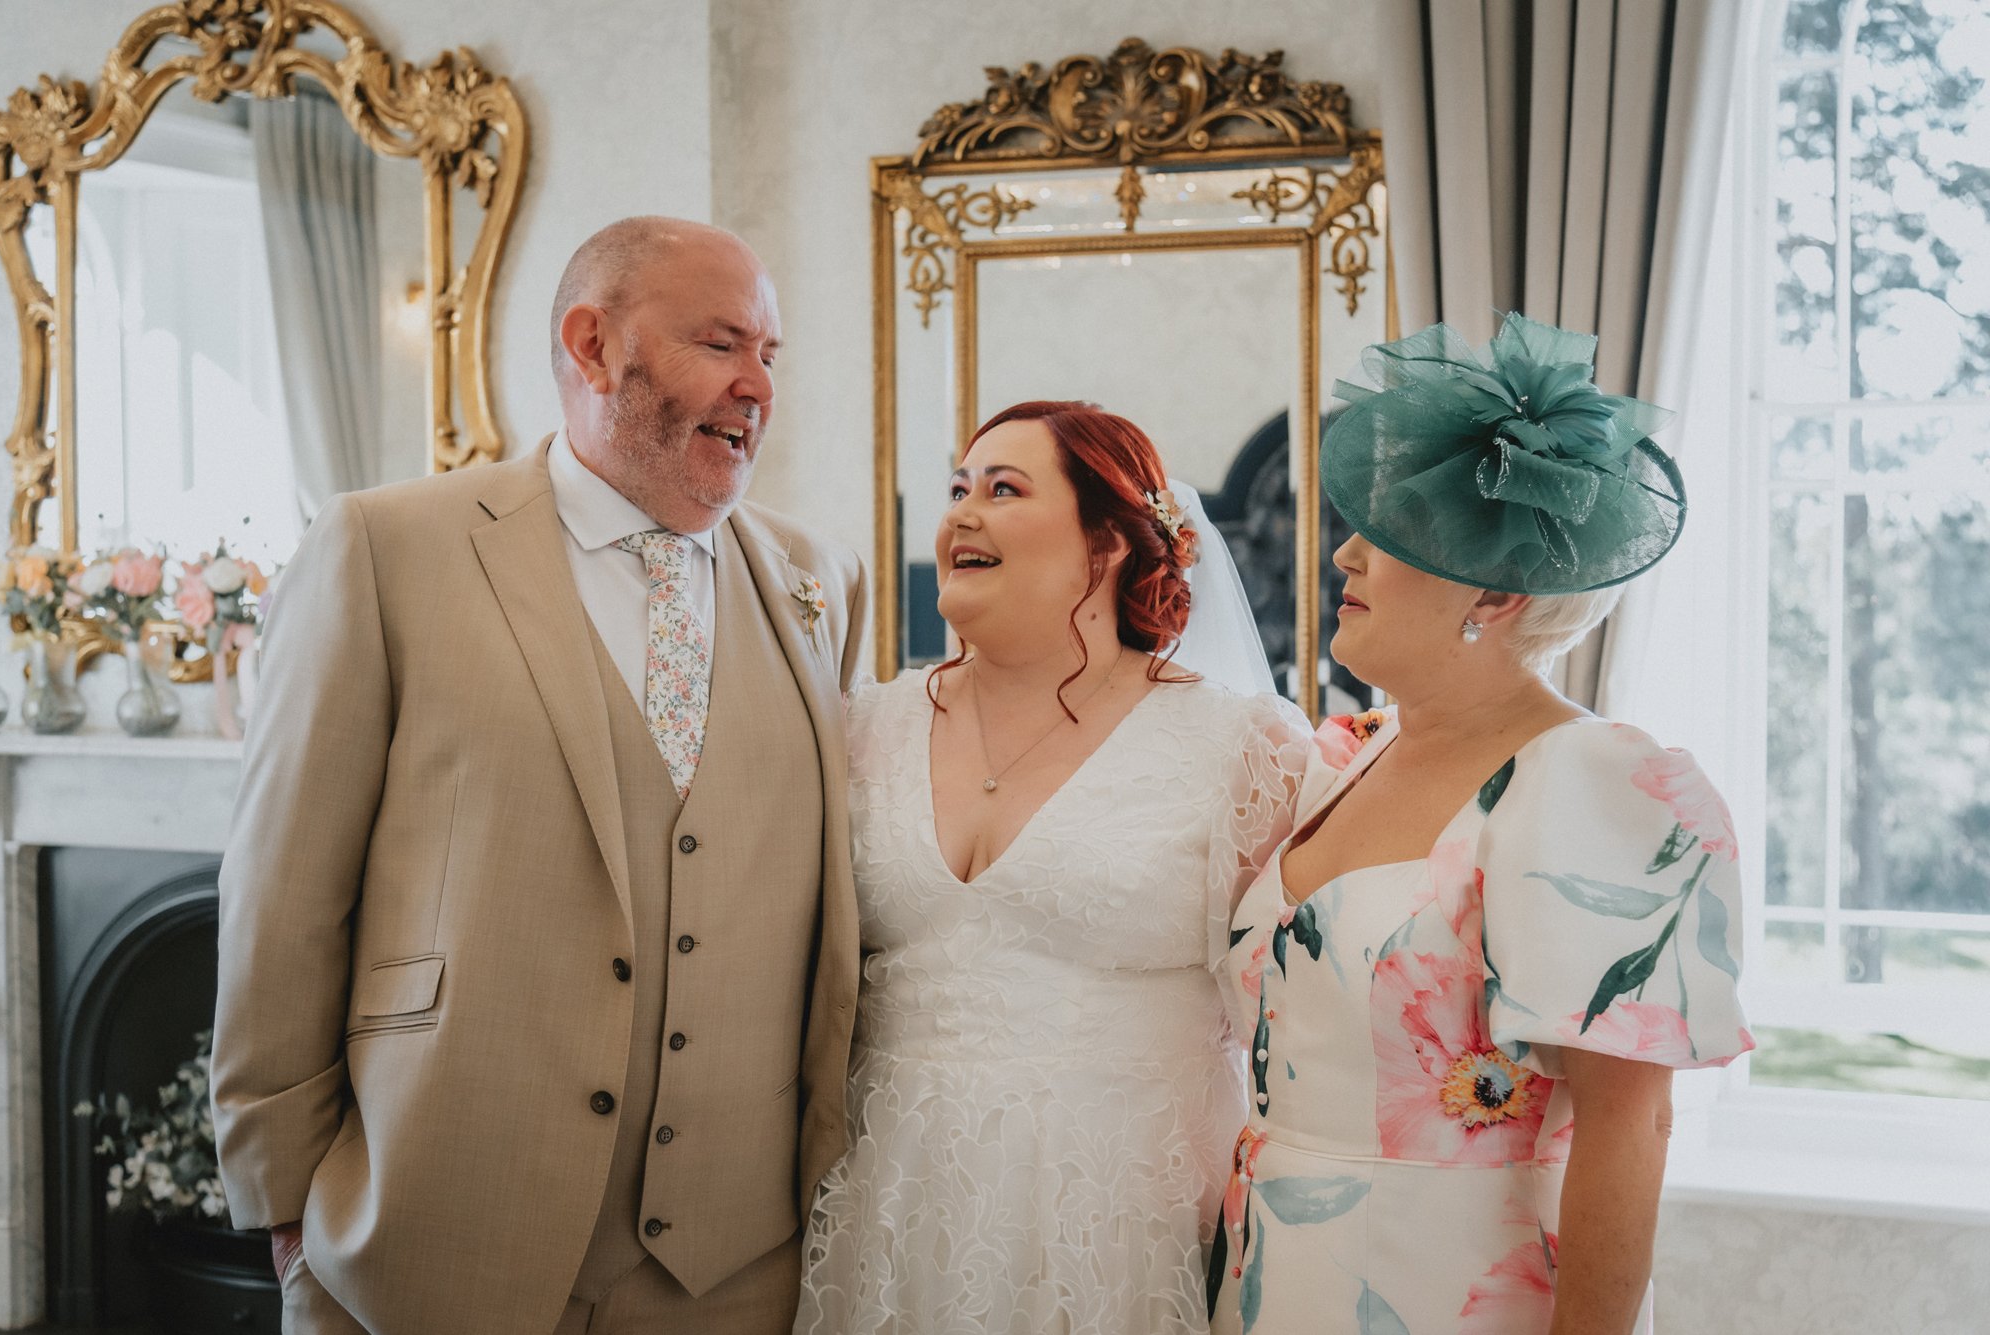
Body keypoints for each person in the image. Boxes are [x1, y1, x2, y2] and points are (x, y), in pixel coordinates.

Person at [211, 217, 868, 1335]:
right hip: (434, 1237)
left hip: (734, 1264)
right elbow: (284, 891)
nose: (758, 384)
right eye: (722, 344)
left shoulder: (816, 576)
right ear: (593, 343)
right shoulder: (385, 548)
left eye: (771, 353)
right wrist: (283, 1202)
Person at [1211, 315, 1753, 1335]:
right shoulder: (1344, 757)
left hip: (1451, 1290)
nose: (1344, 552)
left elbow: (1625, 1126)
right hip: (1269, 1281)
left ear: (1498, 593)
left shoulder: (1595, 786)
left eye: (1395, 537)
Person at [796, 401, 1311, 1333]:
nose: (961, 513)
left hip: (1118, 1228)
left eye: (1004, 489)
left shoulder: (1239, 749)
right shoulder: (864, 728)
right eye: (958, 488)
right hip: (888, 1203)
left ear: (1107, 542)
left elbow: (1290, 1032)